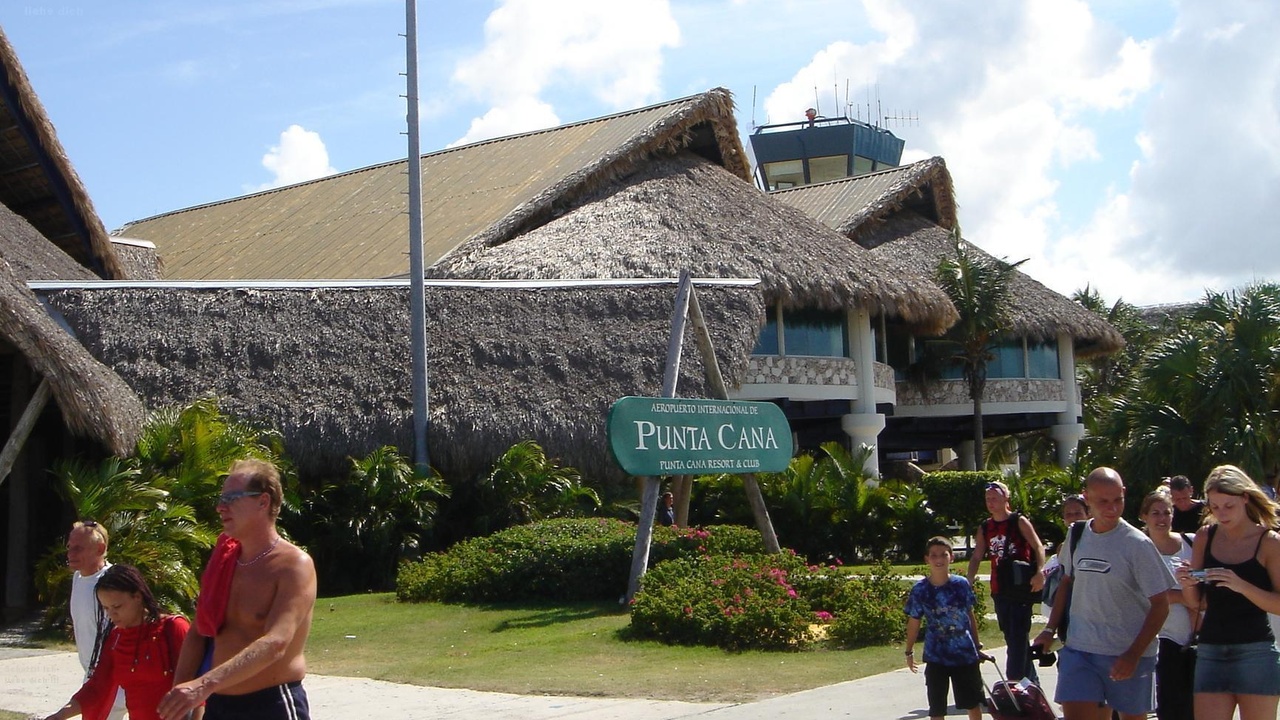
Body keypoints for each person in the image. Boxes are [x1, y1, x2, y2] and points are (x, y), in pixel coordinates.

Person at [158, 459, 317, 720]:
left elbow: (276, 642)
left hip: (272, 704)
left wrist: (203, 684)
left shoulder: (293, 565)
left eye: (232, 498)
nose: (221, 507)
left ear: (263, 502)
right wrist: (179, 698)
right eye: (221, 499)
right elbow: (199, 630)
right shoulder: (225, 559)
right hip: (219, 704)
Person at [1033, 467, 1173, 720]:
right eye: (1103, 501)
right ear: (1086, 498)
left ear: (1124, 493)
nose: (1112, 508)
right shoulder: (1077, 534)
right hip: (1080, 649)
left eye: (1118, 500)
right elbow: (1066, 581)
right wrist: (1049, 629)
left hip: (1126, 652)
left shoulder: (1137, 544)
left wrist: (1133, 655)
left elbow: (1161, 605)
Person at [1175, 465, 1280, 720]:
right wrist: (1188, 584)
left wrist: (1241, 585)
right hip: (1211, 649)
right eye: (1215, 506)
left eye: (1228, 506)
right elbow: (1198, 604)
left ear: (1245, 497)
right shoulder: (1205, 536)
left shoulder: (1268, 541)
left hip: (1256, 651)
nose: (1221, 513)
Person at [40, 565, 190, 720]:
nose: (111, 614)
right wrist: (60, 715)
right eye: (105, 608)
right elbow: (97, 687)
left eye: (117, 606)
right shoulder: (116, 638)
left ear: (137, 596)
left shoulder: (173, 628)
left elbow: (198, 691)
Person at [966, 480, 1045, 682]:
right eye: (987, 499)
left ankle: (1015, 680)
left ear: (1005, 498)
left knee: (1018, 636)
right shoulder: (985, 527)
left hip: (1020, 588)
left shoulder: (1018, 521)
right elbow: (977, 556)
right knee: (1012, 637)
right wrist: (970, 578)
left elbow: (1038, 546)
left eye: (994, 498)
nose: (990, 502)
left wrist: (1040, 572)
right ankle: (1031, 683)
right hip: (1000, 588)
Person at [905, 537, 986, 720]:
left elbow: (969, 615)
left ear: (952, 557)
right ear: (927, 559)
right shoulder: (920, 590)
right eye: (933, 555)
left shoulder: (961, 585)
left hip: (964, 654)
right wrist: (909, 651)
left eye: (943, 554)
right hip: (936, 656)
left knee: (972, 703)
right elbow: (914, 620)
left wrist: (977, 646)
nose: (938, 559)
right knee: (937, 708)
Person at [1139, 489, 1196, 720]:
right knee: (1167, 706)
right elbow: (1140, 592)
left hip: (1192, 638)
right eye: (1155, 513)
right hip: (1157, 638)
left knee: (1192, 707)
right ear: (1144, 516)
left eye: (1167, 512)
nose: (1161, 519)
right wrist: (1182, 596)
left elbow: (1202, 587)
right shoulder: (1138, 547)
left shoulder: (1190, 543)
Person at [65, 521, 127, 720]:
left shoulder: (113, 581)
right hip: (94, 677)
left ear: (100, 549)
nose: (70, 553)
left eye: (78, 548)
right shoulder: (77, 578)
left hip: (115, 679)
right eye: (69, 547)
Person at [1041, 494, 1090, 622]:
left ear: (1088, 514)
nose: (1073, 518)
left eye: (1078, 513)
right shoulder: (1062, 547)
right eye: (1069, 514)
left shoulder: (1096, 541)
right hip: (1071, 604)